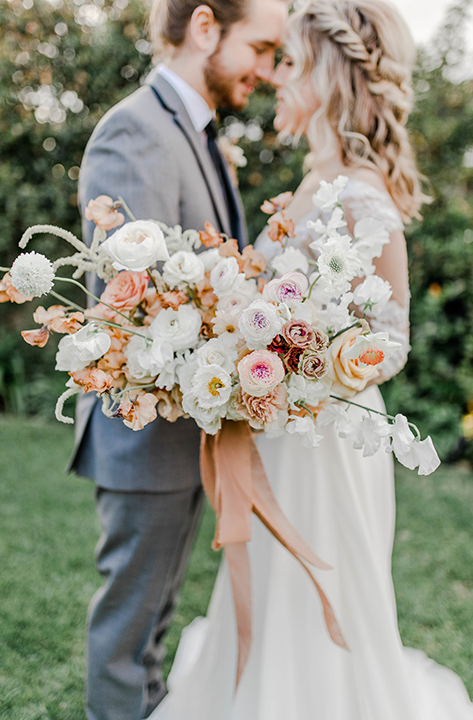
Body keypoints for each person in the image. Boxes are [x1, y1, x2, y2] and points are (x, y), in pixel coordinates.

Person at [147, 1, 473, 718]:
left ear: (327, 75)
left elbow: (391, 339)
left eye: (289, 62)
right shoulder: (310, 180)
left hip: (325, 443)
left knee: (321, 596)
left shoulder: (359, 191)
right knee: (268, 593)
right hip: (275, 432)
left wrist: (298, 366)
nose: (276, 77)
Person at [69, 1, 287, 718]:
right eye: (260, 46)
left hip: (187, 431)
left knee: (152, 630)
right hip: (146, 435)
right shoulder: (137, 130)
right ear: (204, 28)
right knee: (129, 639)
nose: (268, 68)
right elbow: (131, 307)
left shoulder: (192, 132)